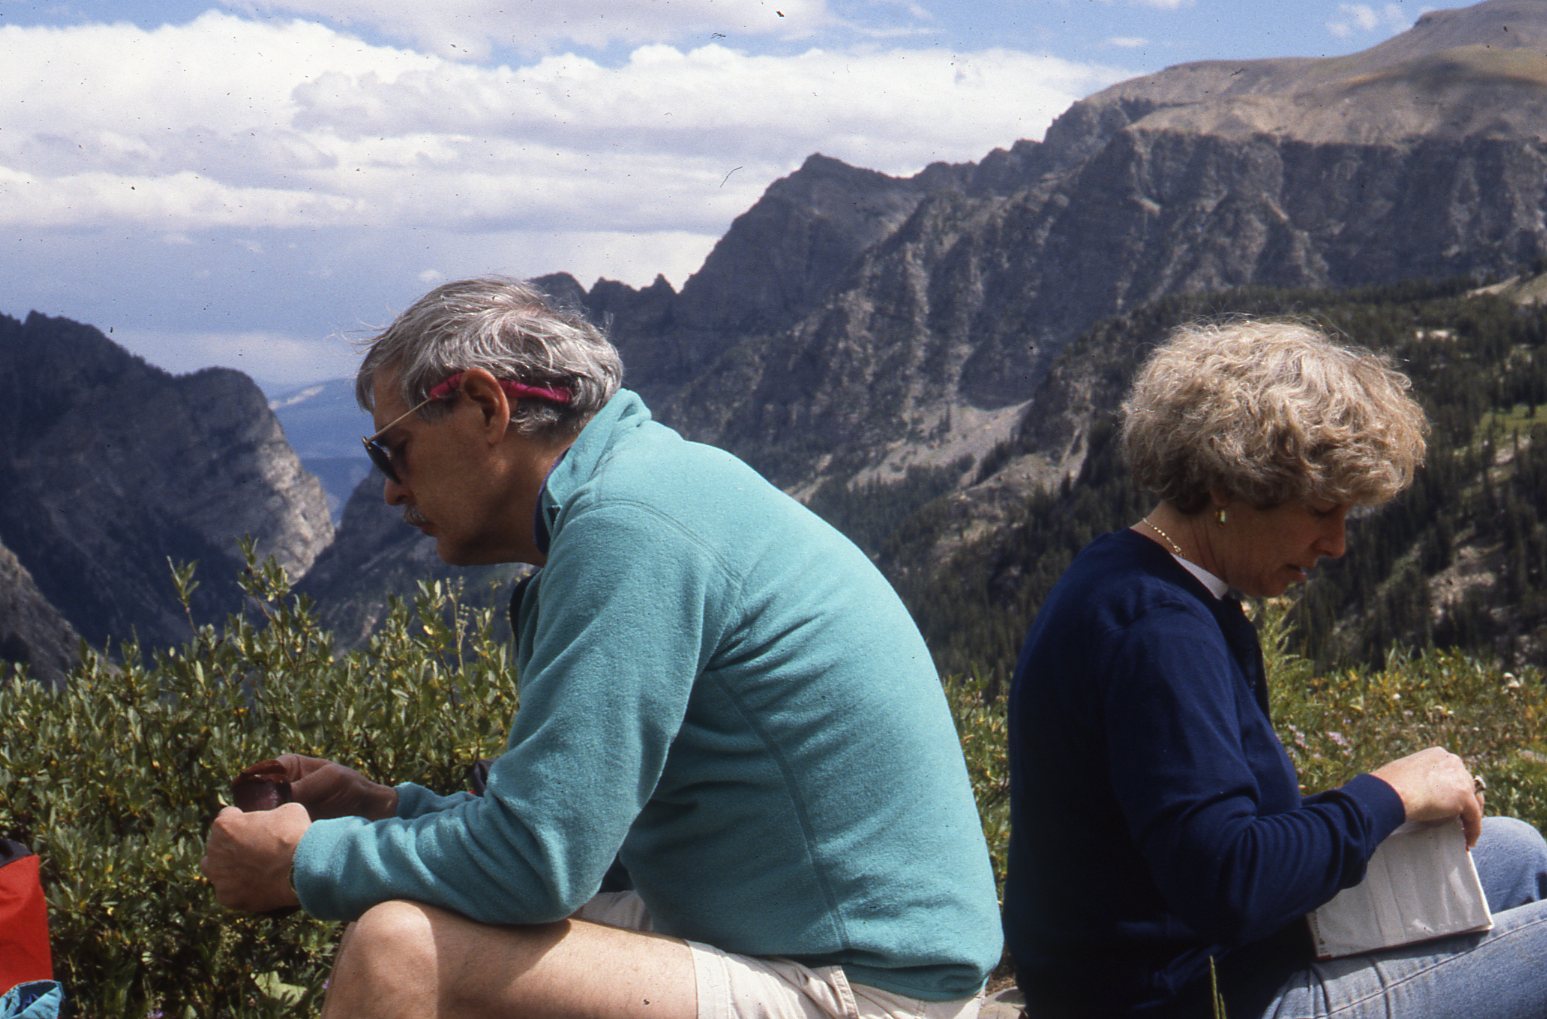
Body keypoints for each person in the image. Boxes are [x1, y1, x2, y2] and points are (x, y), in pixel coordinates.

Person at [200, 276, 1001, 1019]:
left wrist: (301, 862)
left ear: (483, 406)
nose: (389, 489)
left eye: (392, 449)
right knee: (442, 913)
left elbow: (534, 863)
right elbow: (570, 838)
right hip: (813, 947)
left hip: (866, 990)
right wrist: (385, 808)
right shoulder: (643, 490)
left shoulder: (627, 526)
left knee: (400, 948)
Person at [1002, 319, 1547, 1018]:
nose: (1337, 544)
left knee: (1516, 850)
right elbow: (1231, 882)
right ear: (1229, 485)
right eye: (1321, 510)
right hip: (1195, 997)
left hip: (1218, 958)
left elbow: (1214, 843)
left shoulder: (1138, 578)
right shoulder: (1159, 631)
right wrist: (1390, 795)